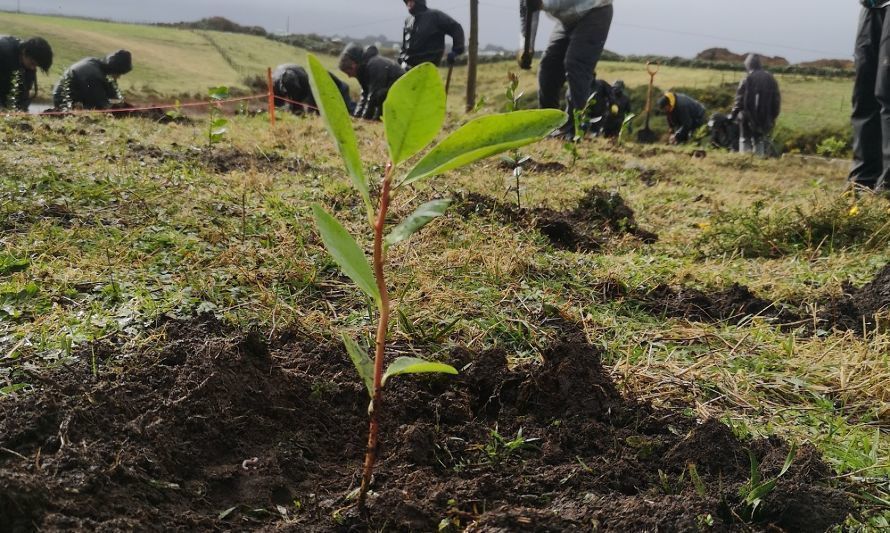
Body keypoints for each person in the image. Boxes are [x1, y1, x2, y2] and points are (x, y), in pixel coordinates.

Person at [522, 0, 614, 138]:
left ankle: (574, 129)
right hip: (567, 19)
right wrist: (526, 46)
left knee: (576, 64)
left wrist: (542, 5)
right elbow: (528, 9)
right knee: (548, 67)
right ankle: (549, 126)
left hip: (595, 9)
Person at [851, 1, 890, 191]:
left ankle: (887, 186)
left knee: (887, 92)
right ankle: (862, 182)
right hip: (870, 7)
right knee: (863, 96)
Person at [730, 54, 781, 156]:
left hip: (747, 117)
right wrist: (772, 117)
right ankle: (759, 161)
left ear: (749, 65)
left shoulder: (747, 79)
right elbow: (776, 101)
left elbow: (739, 101)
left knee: (745, 139)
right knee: (759, 140)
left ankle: (745, 158)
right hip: (765, 118)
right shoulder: (771, 79)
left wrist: (733, 115)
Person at [338, 43, 404, 121]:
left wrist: (365, 119)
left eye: (348, 73)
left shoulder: (375, 64)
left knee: (378, 95)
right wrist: (356, 117)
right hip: (388, 92)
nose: (349, 76)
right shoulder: (363, 69)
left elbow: (373, 96)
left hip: (400, 93)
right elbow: (364, 96)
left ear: (353, 66)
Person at [53, 50, 133, 110]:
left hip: (76, 96)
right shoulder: (94, 75)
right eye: (119, 73)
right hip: (64, 101)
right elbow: (100, 103)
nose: (118, 77)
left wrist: (122, 104)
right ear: (114, 69)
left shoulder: (97, 65)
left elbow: (111, 94)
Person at [398, 0, 465, 69]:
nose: (408, 4)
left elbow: (456, 28)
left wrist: (456, 51)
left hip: (428, 65)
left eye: (411, 1)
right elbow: (405, 44)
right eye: (407, 2)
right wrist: (401, 59)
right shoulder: (408, 20)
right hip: (408, 67)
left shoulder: (435, 16)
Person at [271, 64, 354, 114]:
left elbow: (312, 101)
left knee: (346, 111)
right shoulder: (275, 82)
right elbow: (276, 101)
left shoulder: (309, 80)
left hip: (341, 92)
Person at [0, 35, 53, 112]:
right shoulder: (3, 51)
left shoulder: (28, 66)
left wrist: (21, 113)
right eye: (32, 63)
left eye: (36, 66)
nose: (33, 68)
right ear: (24, 52)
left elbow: (22, 95)